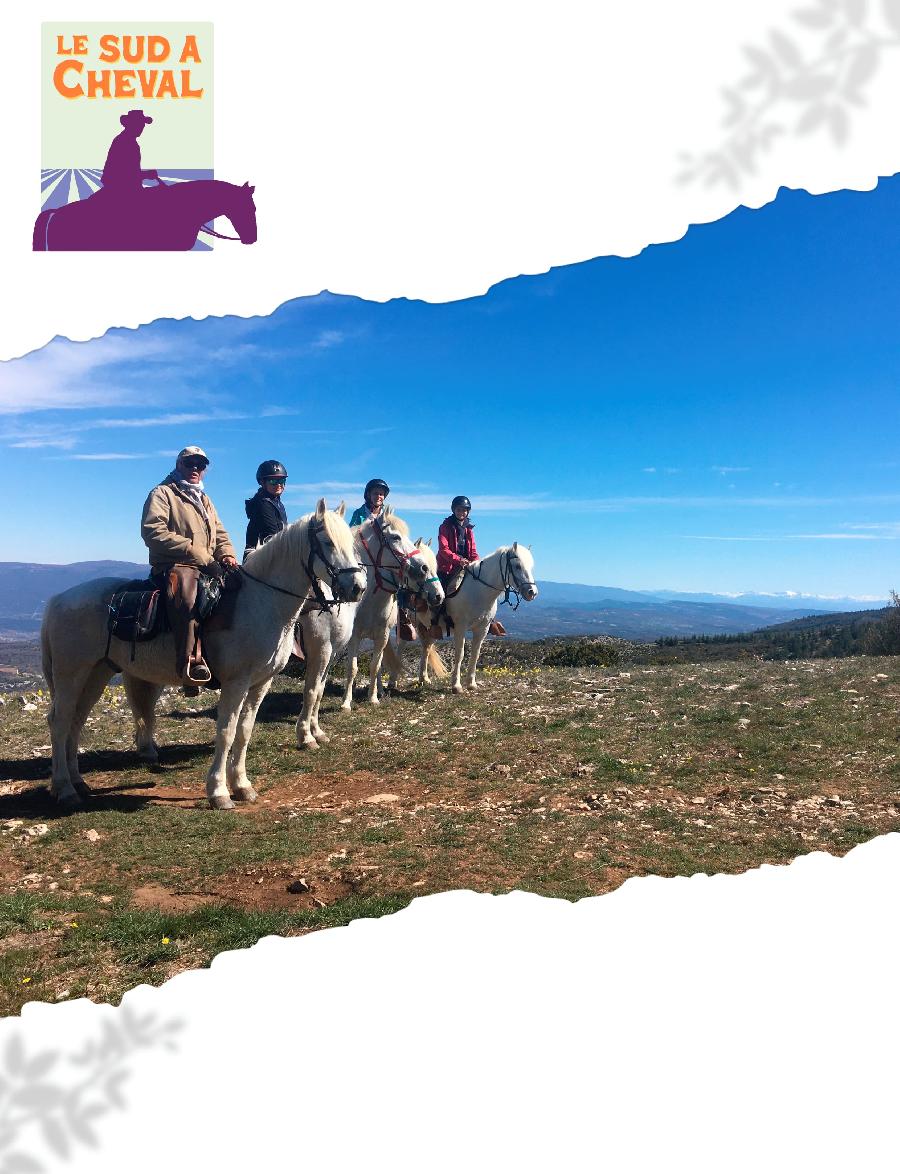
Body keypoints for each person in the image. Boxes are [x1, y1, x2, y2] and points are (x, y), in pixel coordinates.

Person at [141, 446, 238, 685]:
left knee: (239, 584)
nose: (195, 468)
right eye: (190, 463)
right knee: (187, 593)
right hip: (174, 564)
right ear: (178, 464)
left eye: (201, 465)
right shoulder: (163, 493)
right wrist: (199, 554)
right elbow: (153, 531)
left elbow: (221, 533)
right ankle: (189, 664)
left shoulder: (204, 499)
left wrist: (227, 555)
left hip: (205, 564)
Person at [437, 495, 506, 635]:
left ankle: (489, 619)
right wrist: (458, 560)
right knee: (440, 592)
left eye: (464, 510)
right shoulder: (445, 526)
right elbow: (444, 550)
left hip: (467, 566)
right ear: (453, 510)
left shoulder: (469, 529)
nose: (461, 512)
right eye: (459, 509)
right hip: (448, 567)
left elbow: (473, 551)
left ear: (468, 512)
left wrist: (477, 563)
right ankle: (436, 621)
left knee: (481, 588)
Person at [100, 109, 159, 198]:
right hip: (121, 190)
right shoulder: (125, 142)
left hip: (124, 187)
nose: (142, 126)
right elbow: (125, 174)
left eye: (142, 124)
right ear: (131, 124)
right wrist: (146, 174)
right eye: (139, 123)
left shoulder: (125, 140)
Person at [244, 460, 288, 559]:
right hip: (258, 558)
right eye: (273, 481)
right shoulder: (262, 503)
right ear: (262, 482)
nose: (278, 485)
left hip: (272, 553)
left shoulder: (278, 503)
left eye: (282, 481)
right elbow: (273, 534)